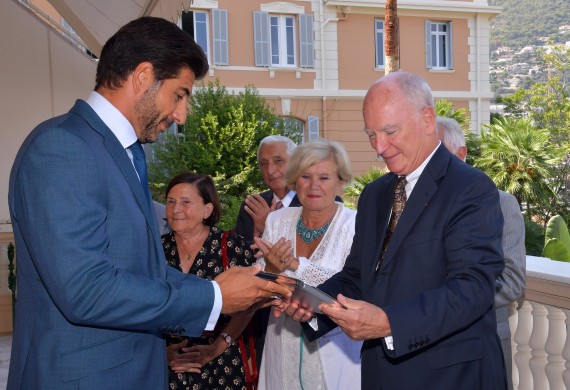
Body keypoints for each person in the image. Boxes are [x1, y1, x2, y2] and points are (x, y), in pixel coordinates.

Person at [7, 16, 289, 389]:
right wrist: (214, 296)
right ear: (142, 76)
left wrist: (229, 286)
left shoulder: (126, 154)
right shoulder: (62, 148)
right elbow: (87, 290)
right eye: (179, 94)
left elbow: (140, 270)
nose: (181, 114)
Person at [282, 71, 507, 389]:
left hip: (451, 378)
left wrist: (389, 324)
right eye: (371, 134)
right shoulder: (374, 194)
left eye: (389, 131)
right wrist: (314, 303)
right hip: (380, 375)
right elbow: (358, 276)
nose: (379, 147)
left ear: (427, 119)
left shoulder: (470, 187)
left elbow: (472, 289)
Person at [254, 139, 362, 390]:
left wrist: (293, 264)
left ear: (341, 181)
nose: (314, 186)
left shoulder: (355, 225)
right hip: (281, 340)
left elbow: (349, 283)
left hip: (336, 349)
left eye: (324, 178)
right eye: (305, 176)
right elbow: (258, 286)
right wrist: (269, 268)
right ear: (294, 180)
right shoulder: (277, 220)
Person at [437, 116, 526, 390]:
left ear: (461, 154)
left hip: (483, 344)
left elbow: (512, 281)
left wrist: (444, 306)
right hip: (429, 349)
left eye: (437, 153)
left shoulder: (502, 203)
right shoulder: (418, 205)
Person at [162, 172, 256, 389]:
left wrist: (214, 349)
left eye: (186, 202)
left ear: (208, 209)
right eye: (170, 202)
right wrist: (161, 353)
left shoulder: (231, 246)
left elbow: (249, 307)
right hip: (167, 368)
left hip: (221, 363)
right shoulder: (154, 250)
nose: (176, 210)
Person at [235, 135, 299, 243]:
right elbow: (239, 255)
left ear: (296, 162)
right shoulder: (252, 207)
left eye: (278, 161)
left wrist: (268, 226)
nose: (270, 170)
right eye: (263, 164)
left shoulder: (316, 203)